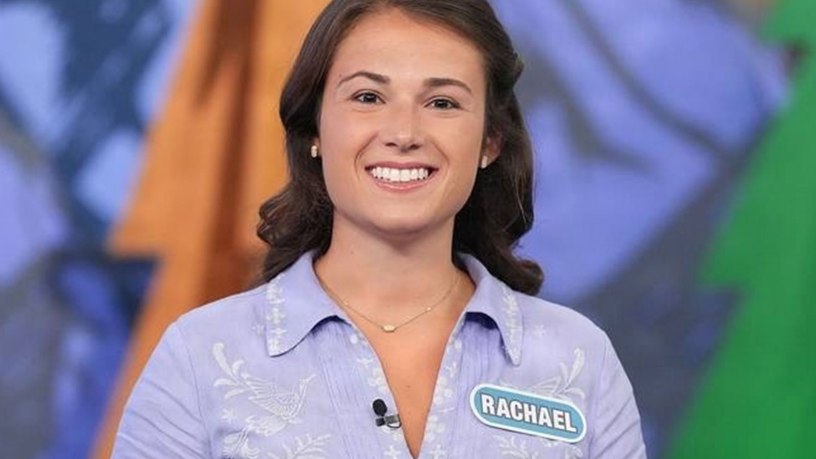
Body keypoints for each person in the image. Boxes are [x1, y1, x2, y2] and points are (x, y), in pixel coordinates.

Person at [113, 0, 647, 458]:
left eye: (442, 103)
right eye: (368, 97)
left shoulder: (577, 358)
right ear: (314, 128)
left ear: (490, 142)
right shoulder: (201, 354)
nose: (403, 133)